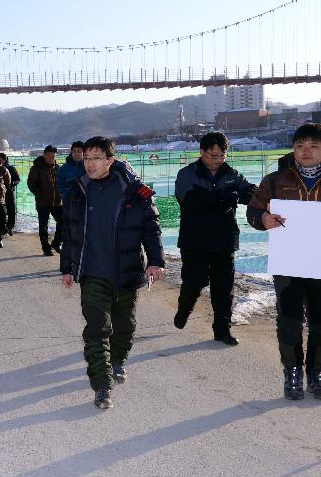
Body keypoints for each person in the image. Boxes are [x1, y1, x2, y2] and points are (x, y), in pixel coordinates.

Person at [60, 136, 165, 409]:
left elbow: (151, 228)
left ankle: (117, 360)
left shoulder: (134, 191)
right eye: (86, 158)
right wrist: (67, 268)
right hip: (92, 273)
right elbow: (69, 233)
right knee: (96, 329)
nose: (90, 164)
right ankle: (102, 385)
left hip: (126, 272)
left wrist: (155, 260)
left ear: (110, 160)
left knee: (125, 326)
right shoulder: (77, 192)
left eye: (96, 158)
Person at [247, 123, 321, 400]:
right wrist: (263, 219)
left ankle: (317, 372)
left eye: (314, 146)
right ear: (293, 148)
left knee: (320, 321)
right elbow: (253, 210)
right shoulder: (275, 180)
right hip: (289, 261)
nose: (306, 151)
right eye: (301, 146)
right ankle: (292, 371)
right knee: (289, 320)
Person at [174, 133, 256, 345]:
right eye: (213, 155)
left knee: (224, 288)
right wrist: (223, 198)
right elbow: (190, 201)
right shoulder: (187, 174)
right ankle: (184, 308)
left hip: (225, 239)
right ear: (202, 152)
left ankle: (222, 330)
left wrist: (260, 196)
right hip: (195, 240)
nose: (218, 160)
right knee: (194, 281)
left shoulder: (231, 174)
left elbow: (248, 191)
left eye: (222, 155)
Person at [28, 145, 63, 256]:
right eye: (49, 156)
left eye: (53, 156)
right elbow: (31, 183)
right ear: (44, 155)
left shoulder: (58, 168)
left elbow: (63, 183)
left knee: (63, 222)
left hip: (57, 202)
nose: (51, 158)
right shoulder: (36, 168)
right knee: (43, 226)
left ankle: (56, 243)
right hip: (42, 202)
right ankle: (46, 248)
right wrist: (39, 194)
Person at [0, 152, 20, 236]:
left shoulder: (11, 168)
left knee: (11, 210)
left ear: (5, 160)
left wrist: (11, 184)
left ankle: (10, 227)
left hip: (9, 192)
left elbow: (17, 179)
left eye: (0, 160)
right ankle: (2, 228)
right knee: (1, 211)